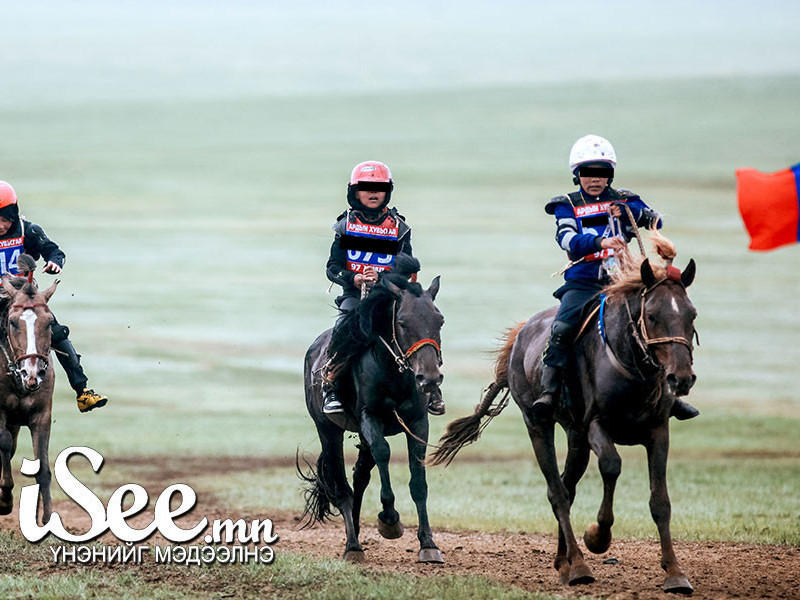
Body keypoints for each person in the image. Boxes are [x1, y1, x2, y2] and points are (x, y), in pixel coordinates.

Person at [534, 135, 698, 420]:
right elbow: (568, 239)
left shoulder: (624, 198)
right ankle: (549, 391)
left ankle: (670, 397)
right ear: (577, 175)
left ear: (609, 174)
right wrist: (599, 244)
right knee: (562, 328)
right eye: (587, 173)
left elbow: (654, 219)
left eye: (601, 173)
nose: (594, 179)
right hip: (583, 282)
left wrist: (627, 211)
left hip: (623, 282)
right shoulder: (566, 204)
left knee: (655, 328)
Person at [322, 160, 445, 416]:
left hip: (391, 297)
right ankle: (331, 385)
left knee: (421, 325)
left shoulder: (399, 228)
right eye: (366, 187)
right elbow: (332, 267)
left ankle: (432, 389)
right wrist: (353, 279)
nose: (373, 192)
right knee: (343, 326)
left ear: (387, 191)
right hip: (356, 295)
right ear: (354, 192)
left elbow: (407, 265)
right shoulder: (345, 225)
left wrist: (382, 276)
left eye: (379, 187)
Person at [0, 181, 108, 412]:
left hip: (24, 298)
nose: (0, 225)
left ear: (13, 214)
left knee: (57, 334)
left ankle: (83, 391)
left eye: (3, 219)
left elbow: (53, 250)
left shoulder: (28, 230)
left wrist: (54, 263)